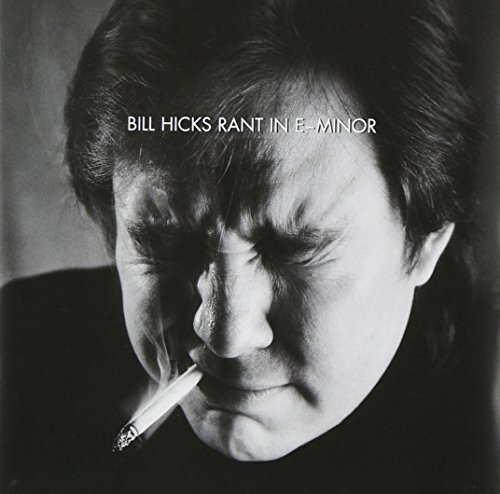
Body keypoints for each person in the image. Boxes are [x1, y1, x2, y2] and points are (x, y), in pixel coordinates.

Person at [2, 0, 496, 492]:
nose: (225, 336)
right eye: (165, 243)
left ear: (425, 241)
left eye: (293, 248)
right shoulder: (20, 354)